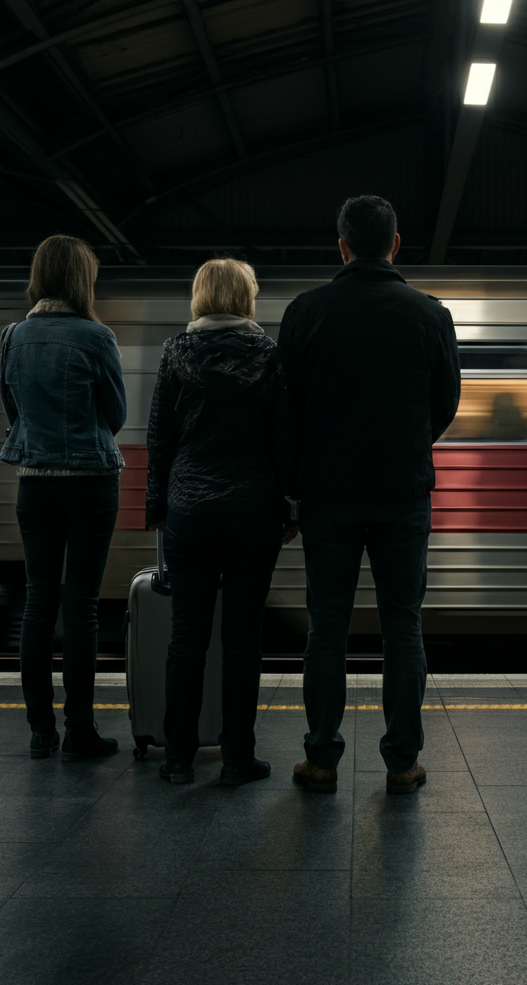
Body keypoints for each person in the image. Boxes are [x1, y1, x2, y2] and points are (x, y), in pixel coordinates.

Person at [279, 195, 461, 794]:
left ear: (342, 245)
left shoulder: (305, 313)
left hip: (328, 496)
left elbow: (290, 412)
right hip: (402, 495)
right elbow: (445, 406)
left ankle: (321, 759)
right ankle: (402, 762)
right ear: (396, 244)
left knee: (325, 626)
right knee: (401, 626)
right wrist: (406, 444)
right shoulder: (430, 315)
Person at [145, 258, 296, 786]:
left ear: (200, 296)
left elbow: (160, 438)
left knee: (186, 638)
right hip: (254, 511)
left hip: (189, 509)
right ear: (246, 299)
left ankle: (178, 758)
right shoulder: (270, 356)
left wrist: (156, 510)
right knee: (242, 640)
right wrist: (290, 506)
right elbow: (283, 440)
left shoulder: (174, 353)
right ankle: (237, 758)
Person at [0, 235, 126, 761]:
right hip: (91, 482)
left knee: (37, 603)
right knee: (82, 607)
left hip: (35, 483)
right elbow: (114, 415)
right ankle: (80, 731)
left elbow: (14, 410)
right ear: (82, 280)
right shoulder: (96, 337)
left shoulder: (12, 337)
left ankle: (40, 732)